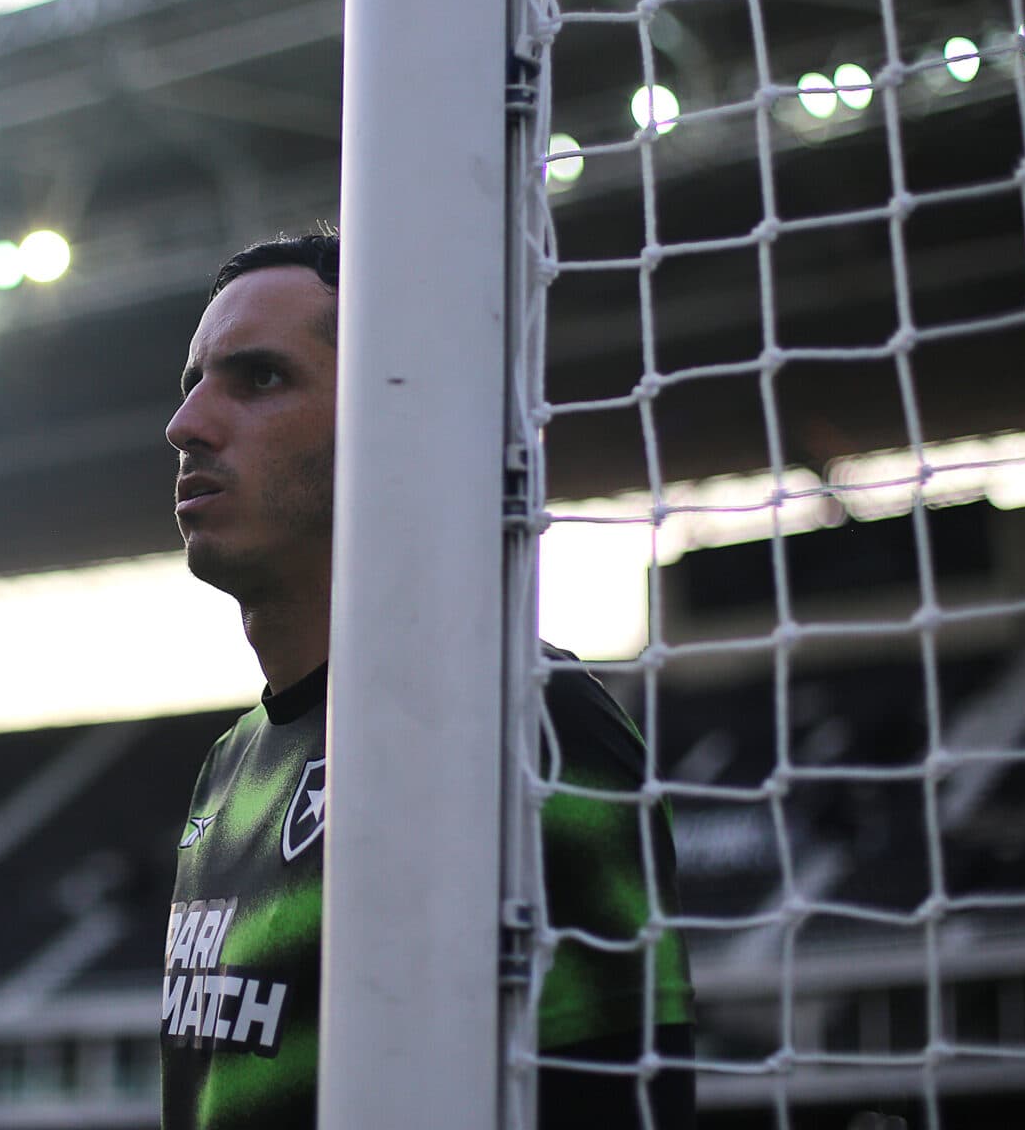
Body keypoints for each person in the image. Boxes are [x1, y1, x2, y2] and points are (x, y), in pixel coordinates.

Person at [159, 233, 695, 1129]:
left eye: (259, 378)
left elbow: (621, 1096)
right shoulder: (229, 766)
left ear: (390, 418)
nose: (187, 424)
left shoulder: (518, 718)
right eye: (193, 383)